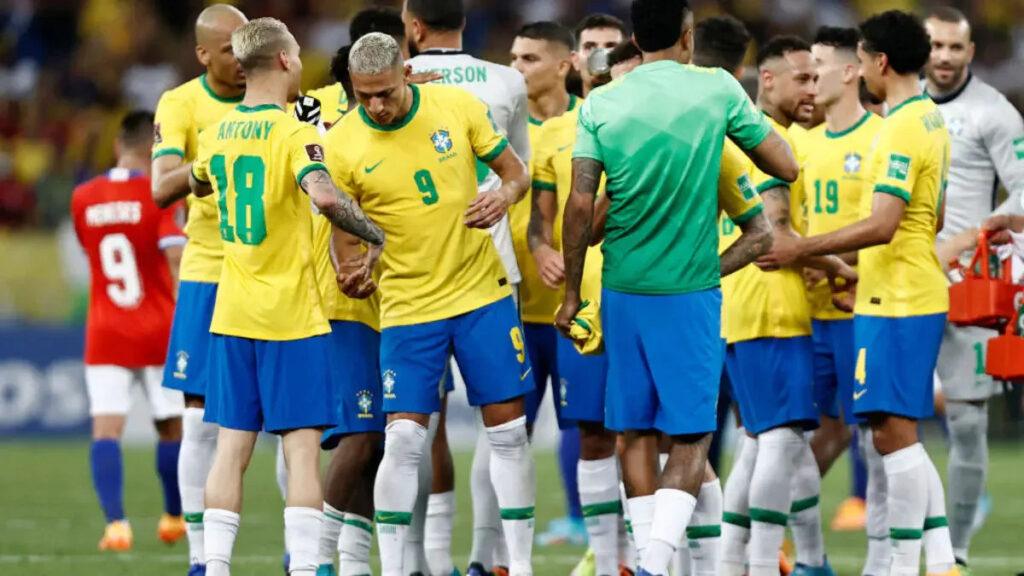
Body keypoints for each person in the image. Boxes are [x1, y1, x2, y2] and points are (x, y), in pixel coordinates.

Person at [556, 1, 799, 575]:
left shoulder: (603, 104)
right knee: (691, 438)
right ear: (687, 38)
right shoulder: (716, 89)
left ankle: (648, 560)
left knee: (633, 433)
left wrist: (571, 295)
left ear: (635, 38)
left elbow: (580, 207)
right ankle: (657, 564)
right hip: (688, 293)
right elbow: (784, 166)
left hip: (621, 290)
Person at [326, 32, 534, 576]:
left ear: (406, 74)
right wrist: (350, 268)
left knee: (509, 432)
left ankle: (522, 566)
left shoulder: (456, 107)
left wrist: (502, 196)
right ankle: (395, 569)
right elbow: (342, 228)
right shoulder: (344, 142)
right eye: (364, 94)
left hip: (480, 293)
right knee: (403, 439)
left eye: (386, 92)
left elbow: (517, 172)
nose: (376, 105)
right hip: (407, 305)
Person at [758, 10, 958, 576]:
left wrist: (804, 249)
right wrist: (853, 273)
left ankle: (900, 563)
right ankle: (938, 561)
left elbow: (884, 223)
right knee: (894, 434)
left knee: (893, 438)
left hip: (897, 298)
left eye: (864, 58)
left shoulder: (895, 128)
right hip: (892, 289)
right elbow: (933, 215)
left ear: (878, 63)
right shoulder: (930, 121)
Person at [189, 17, 385, 576]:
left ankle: (216, 566)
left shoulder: (219, 131)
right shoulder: (297, 135)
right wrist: (376, 233)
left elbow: (200, 178)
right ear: (281, 61)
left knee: (231, 448)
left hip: (233, 312)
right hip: (291, 318)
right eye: (297, 55)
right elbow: (324, 196)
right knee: (300, 450)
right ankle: (304, 568)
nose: (301, 63)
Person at [718, 34, 851, 576]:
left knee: (761, 442)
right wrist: (845, 268)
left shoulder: (737, 133)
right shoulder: (766, 139)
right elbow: (776, 235)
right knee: (780, 439)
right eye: (802, 77)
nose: (812, 88)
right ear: (766, 79)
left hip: (742, 306)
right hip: (770, 305)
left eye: (816, 77)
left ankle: (732, 563)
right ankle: (758, 564)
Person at [924, 8, 1024, 570]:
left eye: (954, 48)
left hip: (967, 286)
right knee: (876, 422)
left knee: (966, 421)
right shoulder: (895, 98)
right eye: (934, 45)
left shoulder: (994, 112)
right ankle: (889, 550)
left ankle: (954, 556)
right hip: (895, 282)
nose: (943, 56)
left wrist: (969, 235)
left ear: (970, 52)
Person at [149, 5, 248, 574]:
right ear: (203, 54)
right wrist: (210, 162)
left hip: (275, 272)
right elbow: (161, 186)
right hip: (209, 269)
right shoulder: (182, 103)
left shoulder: (279, 92)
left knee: (293, 429)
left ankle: (300, 554)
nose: (241, 58)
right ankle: (197, 556)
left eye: (248, 45)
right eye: (229, 48)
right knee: (198, 421)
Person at [72, 110, 188, 554]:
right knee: (170, 427)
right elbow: (175, 257)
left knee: (106, 429)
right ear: (152, 149)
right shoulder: (158, 195)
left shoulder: (84, 197)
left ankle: (116, 525)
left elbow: (90, 249)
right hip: (159, 329)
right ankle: (173, 517)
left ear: (119, 144)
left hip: (105, 331)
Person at [800, 25, 887, 575]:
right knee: (797, 441)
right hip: (808, 318)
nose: (808, 82)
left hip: (865, 312)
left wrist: (852, 271)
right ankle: (808, 557)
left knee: (879, 440)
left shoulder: (881, 137)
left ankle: (884, 559)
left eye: (817, 70)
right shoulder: (798, 144)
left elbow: (901, 225)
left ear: (851, 71)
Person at [509, 21, 584, 554]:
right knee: (508, 435)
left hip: (578, 307)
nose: (517, 69)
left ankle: (590, 532)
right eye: (513, 58)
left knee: (587, 426)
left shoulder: (591, 125)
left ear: (564, 65)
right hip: (510, 307)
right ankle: (494, 554)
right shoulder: (491, 124)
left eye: (530, 59)